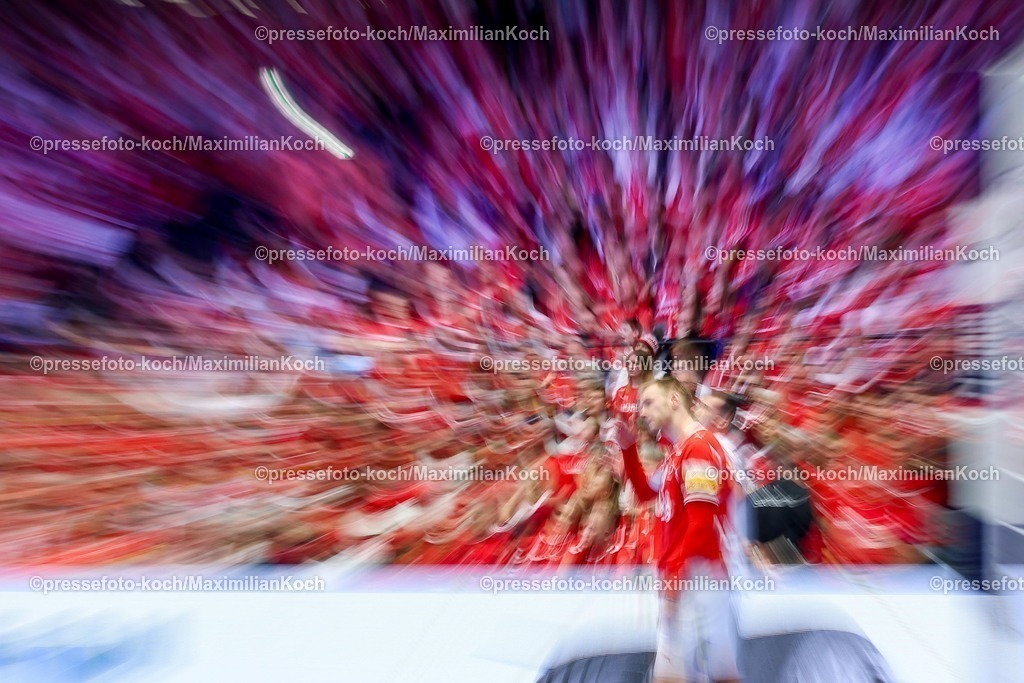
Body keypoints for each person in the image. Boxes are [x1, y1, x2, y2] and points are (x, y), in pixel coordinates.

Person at [611, 376, 740, 683]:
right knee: (706, 672)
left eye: (648, 402)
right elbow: (645, 494)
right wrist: (629, 450)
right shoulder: (678, 451)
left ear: (674, 401)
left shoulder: (698, 449)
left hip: (696, 577)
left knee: (687, 674)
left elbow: (701, 523)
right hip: (687, 575)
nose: (641, 411)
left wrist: (674, 582)